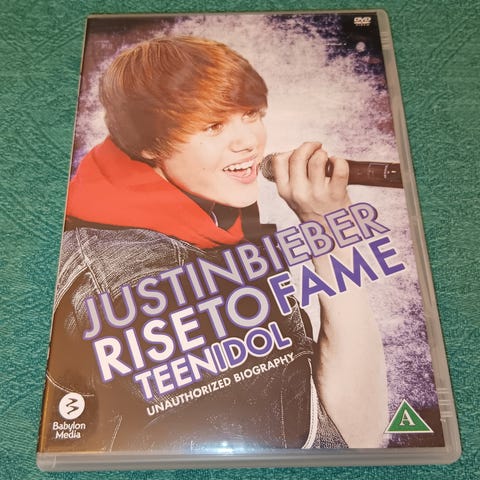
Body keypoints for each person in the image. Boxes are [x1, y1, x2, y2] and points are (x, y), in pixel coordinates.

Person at [45, 36, 388, 453]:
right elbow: (347, 445)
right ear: (147, 141)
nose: (248, 142)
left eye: (251, 114)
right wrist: (329, 234)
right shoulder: (165, 290)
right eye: (212, 125)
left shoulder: (200, 220)